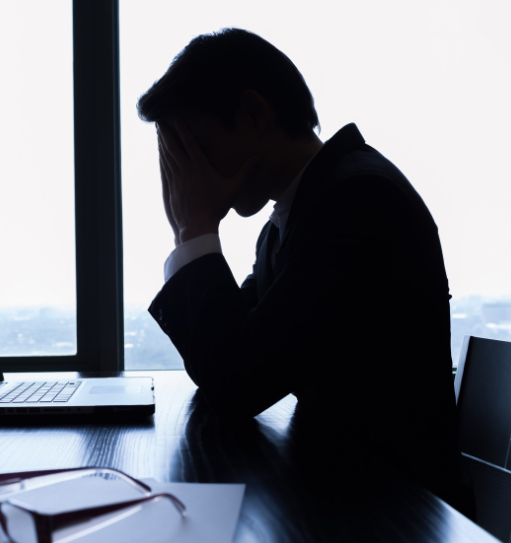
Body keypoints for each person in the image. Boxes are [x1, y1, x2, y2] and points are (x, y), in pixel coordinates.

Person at [139, 28, 468, 511]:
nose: (187, 177)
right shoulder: (294, 215)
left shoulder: (355, 201)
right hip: (343, 491)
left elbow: (235, 382)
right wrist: (191, 232)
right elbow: (226, 358)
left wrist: (193, 229)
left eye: (195, 149)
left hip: (392, 513)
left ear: (253, 114)